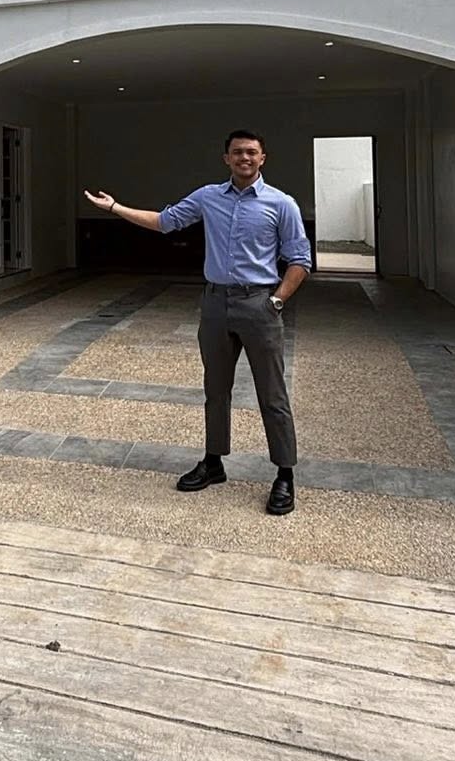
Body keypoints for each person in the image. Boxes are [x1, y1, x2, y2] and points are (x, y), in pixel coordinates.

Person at [84, 129, 310, 515]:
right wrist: (115, 208)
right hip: (216, 304)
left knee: (272, 395)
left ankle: (284, 474)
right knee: (215, 390)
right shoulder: (208, 197)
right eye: (237, 152)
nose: (244, 158)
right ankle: (213, 462)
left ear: (262, 158)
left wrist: (276, 301)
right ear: (226, 158)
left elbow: (300, 259)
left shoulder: (281, 204)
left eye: (251, 152)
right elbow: (164, 221)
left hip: (258, 304)